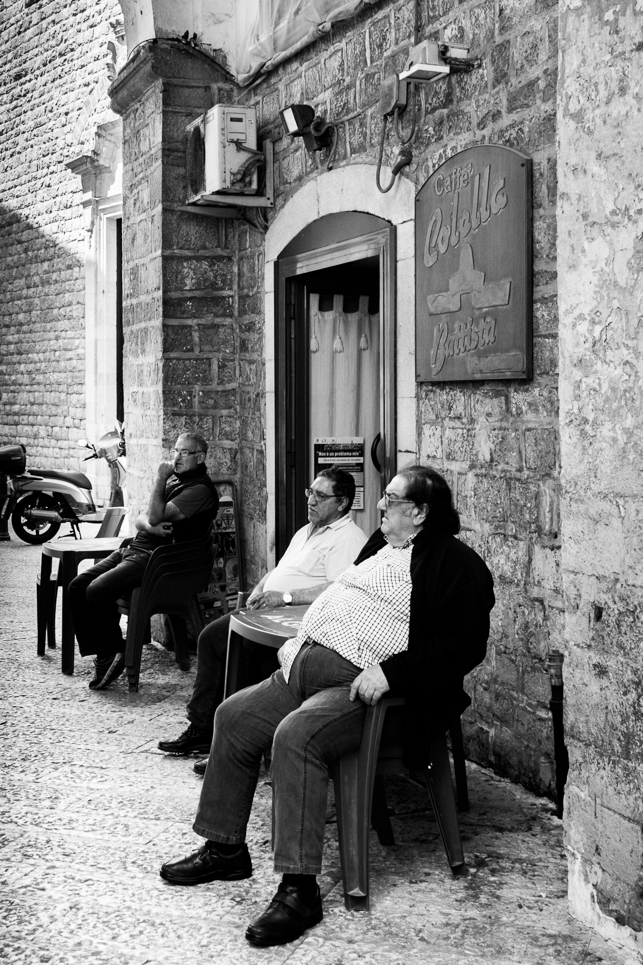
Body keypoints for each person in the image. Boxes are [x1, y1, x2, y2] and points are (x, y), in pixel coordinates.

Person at [159, 465, 495, 947]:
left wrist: (391, 673)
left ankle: (299, 891)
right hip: (303, 672)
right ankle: (225, 849)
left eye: (393, 499)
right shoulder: (382, 546)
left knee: (295, 738)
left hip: (363, 690)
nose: (380, 504)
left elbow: (464, 644)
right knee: (232, 717)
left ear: (421, 512)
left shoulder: (454, 562)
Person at [157, 466, 367, 763]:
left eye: (321, 496)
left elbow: (336, 587)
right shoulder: (306, 530)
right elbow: (278, 571)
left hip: (294, 624)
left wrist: (284, 597)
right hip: (268, 613)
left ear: (342, 502)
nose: (311, 500)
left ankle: (235, 744)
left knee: (239, 650)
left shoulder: (347, 538)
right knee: (212, 637)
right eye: (310, 492)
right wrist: (255, 594)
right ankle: (204, 729)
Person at [68, 432, 219, 691]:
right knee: (78, 587)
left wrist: (159, 479)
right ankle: (107, 654)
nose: (177, 457)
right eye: (175, 450)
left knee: (97, 590)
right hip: (135, 549)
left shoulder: (199, 490)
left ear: (200, 457)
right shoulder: (178, 482)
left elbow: (155, 514)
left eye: (184, 452)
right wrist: (150, 525)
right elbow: (141, 517)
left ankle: (113, 653)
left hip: (156, 560)